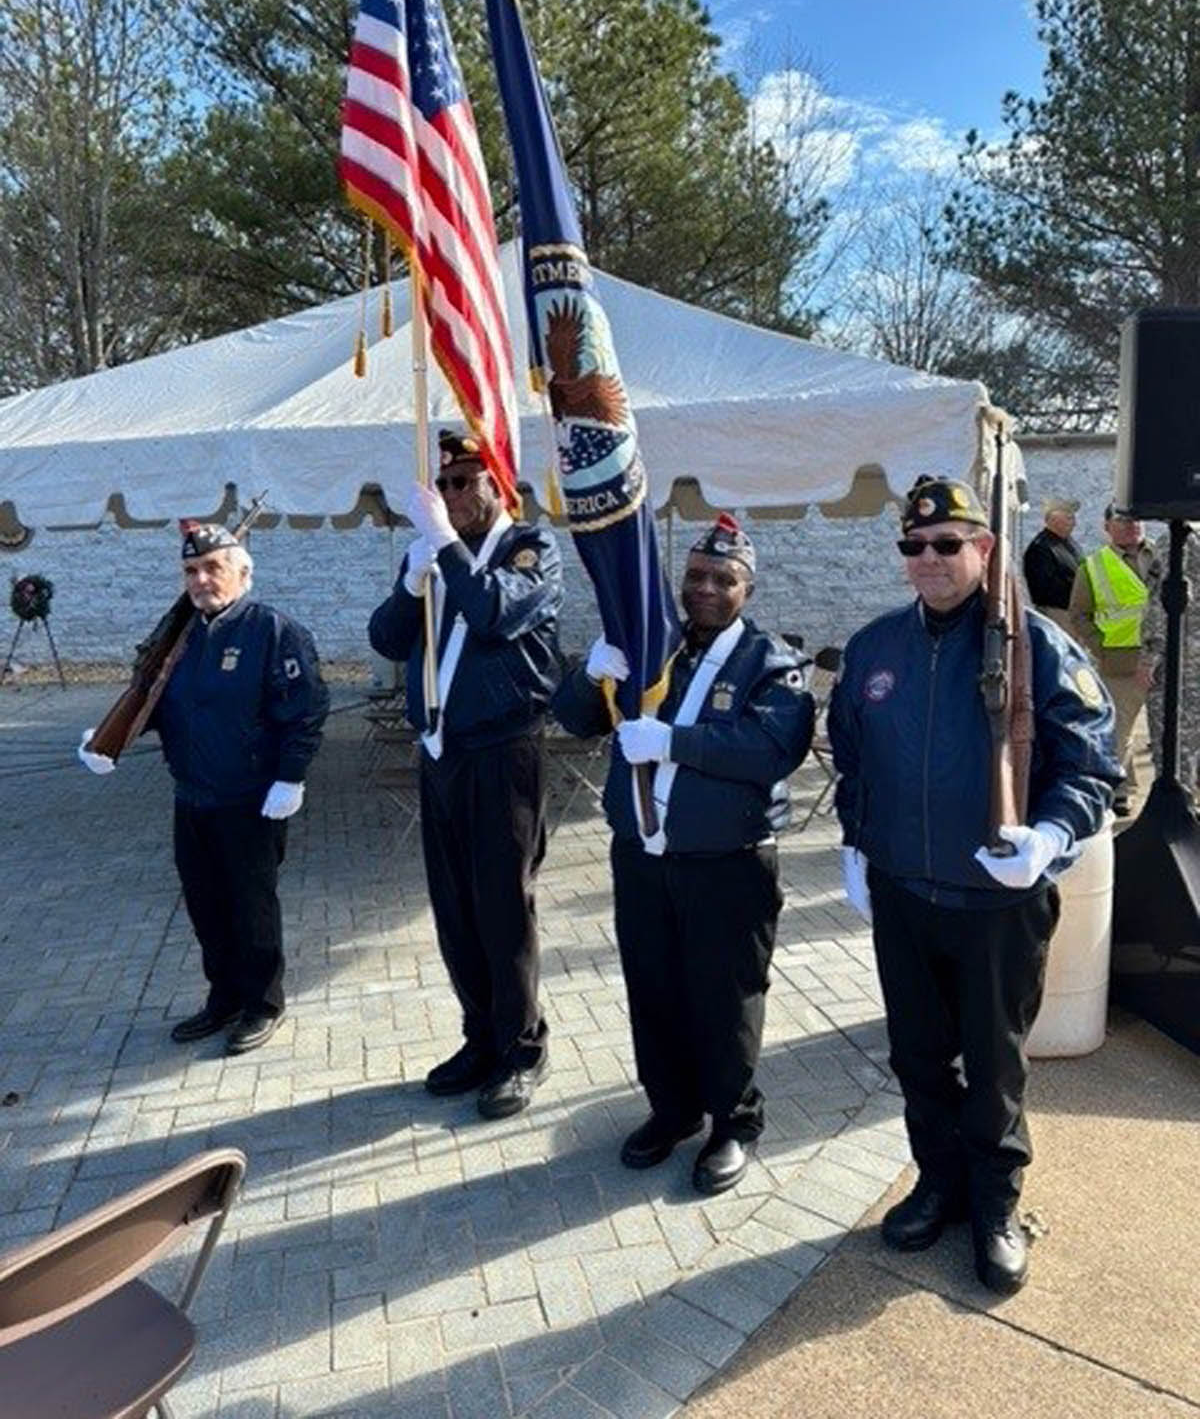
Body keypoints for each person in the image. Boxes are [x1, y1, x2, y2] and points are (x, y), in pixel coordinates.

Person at [828, 475, 1119, 1294]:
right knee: (919, 1057)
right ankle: (939, 1184)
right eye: (914, 546)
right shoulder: (875, 647)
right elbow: (849, 753)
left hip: (997, 903)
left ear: (984, 550)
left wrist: (1052, 837)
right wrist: (857, 843)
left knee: (993, 1067)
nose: (929, 557)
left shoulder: (1039, 647)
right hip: (904, 895)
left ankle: (995, 1205)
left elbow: (1091, 767)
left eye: (948, 543)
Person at [553, 514, 814, 1195]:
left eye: (721, 579)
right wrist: (591, 675)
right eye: (694, 575)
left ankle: (734, 1122)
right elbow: (575, 719)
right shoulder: (652, 651)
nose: (703, 589)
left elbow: (771, 751)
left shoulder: (769, 662)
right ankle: (671, 1110)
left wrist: (674, 742)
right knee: (654, 988)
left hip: (727, 864)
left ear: (745, 589)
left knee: (724, 997)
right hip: (643, 859)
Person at [368, 430, 563, 1120]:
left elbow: (493, 612)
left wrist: (445, 548)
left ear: (498, 484)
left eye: (463, 481)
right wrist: (412, 579)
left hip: (503, 750)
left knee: (502, 905)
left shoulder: (530, 550)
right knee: (453, 905)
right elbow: (387, 640)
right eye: (441, 485)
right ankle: (479, 1036)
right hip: (441, 749)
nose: (449, 496)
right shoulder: (432, 550)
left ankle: (521, 1049)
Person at [78, 523, 329, 1054]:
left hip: (249, 797)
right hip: (191, 796)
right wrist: (107, 739)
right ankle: (225, 997)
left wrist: (290, 776)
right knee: (206, 906)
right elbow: (153, 696)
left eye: (212, 567)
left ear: (243, 572)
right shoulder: (181, 635)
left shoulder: (273, 630)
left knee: (251, 905)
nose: (201, 579)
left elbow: (305, 710)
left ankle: (263, 1003)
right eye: (191, 571)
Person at [1067, 504, 1162, 815]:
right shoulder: (1092, 566)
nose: (1132, 524)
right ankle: (1120, 792)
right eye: (1122, 520)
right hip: (1120, 661)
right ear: (1106, 526)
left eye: (1136, 518)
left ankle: (1182, 791)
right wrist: (1101, 647)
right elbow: (1079, 615)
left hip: (1167, 657)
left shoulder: (1166, 554)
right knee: (1119, 733)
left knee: (1177, 730)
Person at [1145, 524, 1200, 797]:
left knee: (1177, 737)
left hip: (1183, 657)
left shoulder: (1181, 541)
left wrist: (1152, 654)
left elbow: (1161, 599)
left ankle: (1181, 802)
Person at [1022, 496, 1081, 627]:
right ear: (1054, 520)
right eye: (1069, 518)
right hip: (1057, 614)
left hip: (1073, 613)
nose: (1074, 523)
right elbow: (1043, 590)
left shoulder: (1068, 544)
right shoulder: (1040, 548)